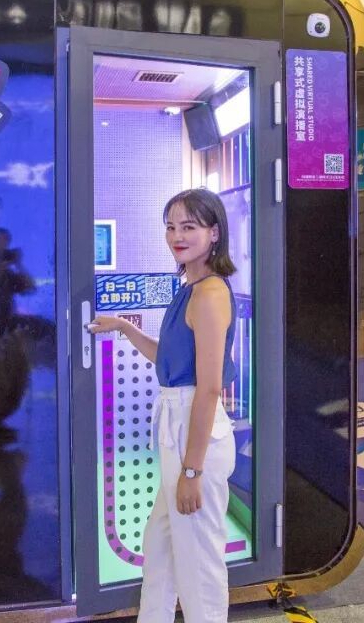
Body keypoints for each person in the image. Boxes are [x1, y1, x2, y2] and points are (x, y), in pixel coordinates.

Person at [88, 188, 238, 623]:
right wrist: (124, 327)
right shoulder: (190, 289)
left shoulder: (209, 294)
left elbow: (208, 388)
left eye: (189, 226)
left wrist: (192, 472)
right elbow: (171, 361)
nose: (177, 236)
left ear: (214, 233)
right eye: (171, 226)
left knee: (198, 565)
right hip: (180, 426)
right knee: (161, 548)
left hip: (197, 435)